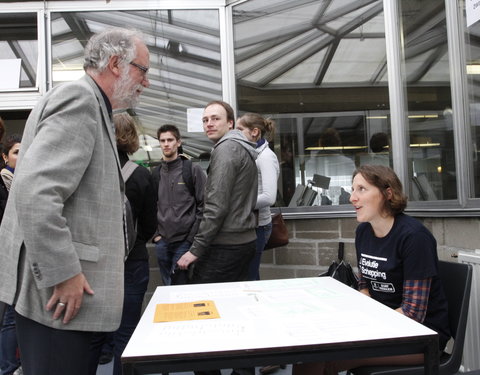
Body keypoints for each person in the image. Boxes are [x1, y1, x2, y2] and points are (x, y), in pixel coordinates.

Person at [0, 27, 150, 375]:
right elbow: (37, 194)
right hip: (60, 297)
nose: (147, 81)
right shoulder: (80, 101)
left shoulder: (87, 102)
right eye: (143, 70)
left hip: (67, 301)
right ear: (116, 63)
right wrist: (63, 272)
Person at [293, 165, 450, 375]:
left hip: (421, 338)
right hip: (383, 327)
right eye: (353, 189)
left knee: (321, 359)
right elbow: (364, 284)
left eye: (362, 189)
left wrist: (362, 328)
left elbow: (413, 314)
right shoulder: (364, 231)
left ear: (388, 193)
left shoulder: (414, 237)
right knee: (308, 350)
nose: (352, 197)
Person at [88, 112, 156, 375]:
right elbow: (150, 224)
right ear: (132, 138)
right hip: (132, 260)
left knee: (93, 333)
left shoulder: (90, 171)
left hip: (95, 262)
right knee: (127, 332)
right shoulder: (141, 175)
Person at [177, 100, 258, 284]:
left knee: (204, 304)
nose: (209, 124)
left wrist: (196, 249)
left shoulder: (226, 149)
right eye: (205, 120)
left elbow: (216, 206)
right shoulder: (239, 146)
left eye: (215, 118)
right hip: (242, 241)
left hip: (227, 245)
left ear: (230, 123)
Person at [152, 124, 206, 286]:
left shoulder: (192, 170)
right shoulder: (155, 173)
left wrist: (191, 239)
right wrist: (156, 235)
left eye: (170, 140)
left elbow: (204, 206)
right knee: (167, 285)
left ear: (178, 142)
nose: (166, 144)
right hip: (162, 241)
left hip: (184, 241)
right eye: (163, 141)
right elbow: (149, 207)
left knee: (180, 285)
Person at [236, 113, 279, 281]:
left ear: (254, 132)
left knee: (250, 276)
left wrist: (238, 204)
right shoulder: (253, 153)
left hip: (259, 225)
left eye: (239, 130)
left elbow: (269, 197)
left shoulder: (266, 157)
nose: (235, 134)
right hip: (250, 223)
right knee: (248, 275)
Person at [0, 134, 22, 375]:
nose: (22, 156)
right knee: (10, 317)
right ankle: (8, 367)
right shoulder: (4, 183)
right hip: (7, 256)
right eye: (16, 152)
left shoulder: (21, 181)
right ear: (5, 157)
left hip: (20, 256)